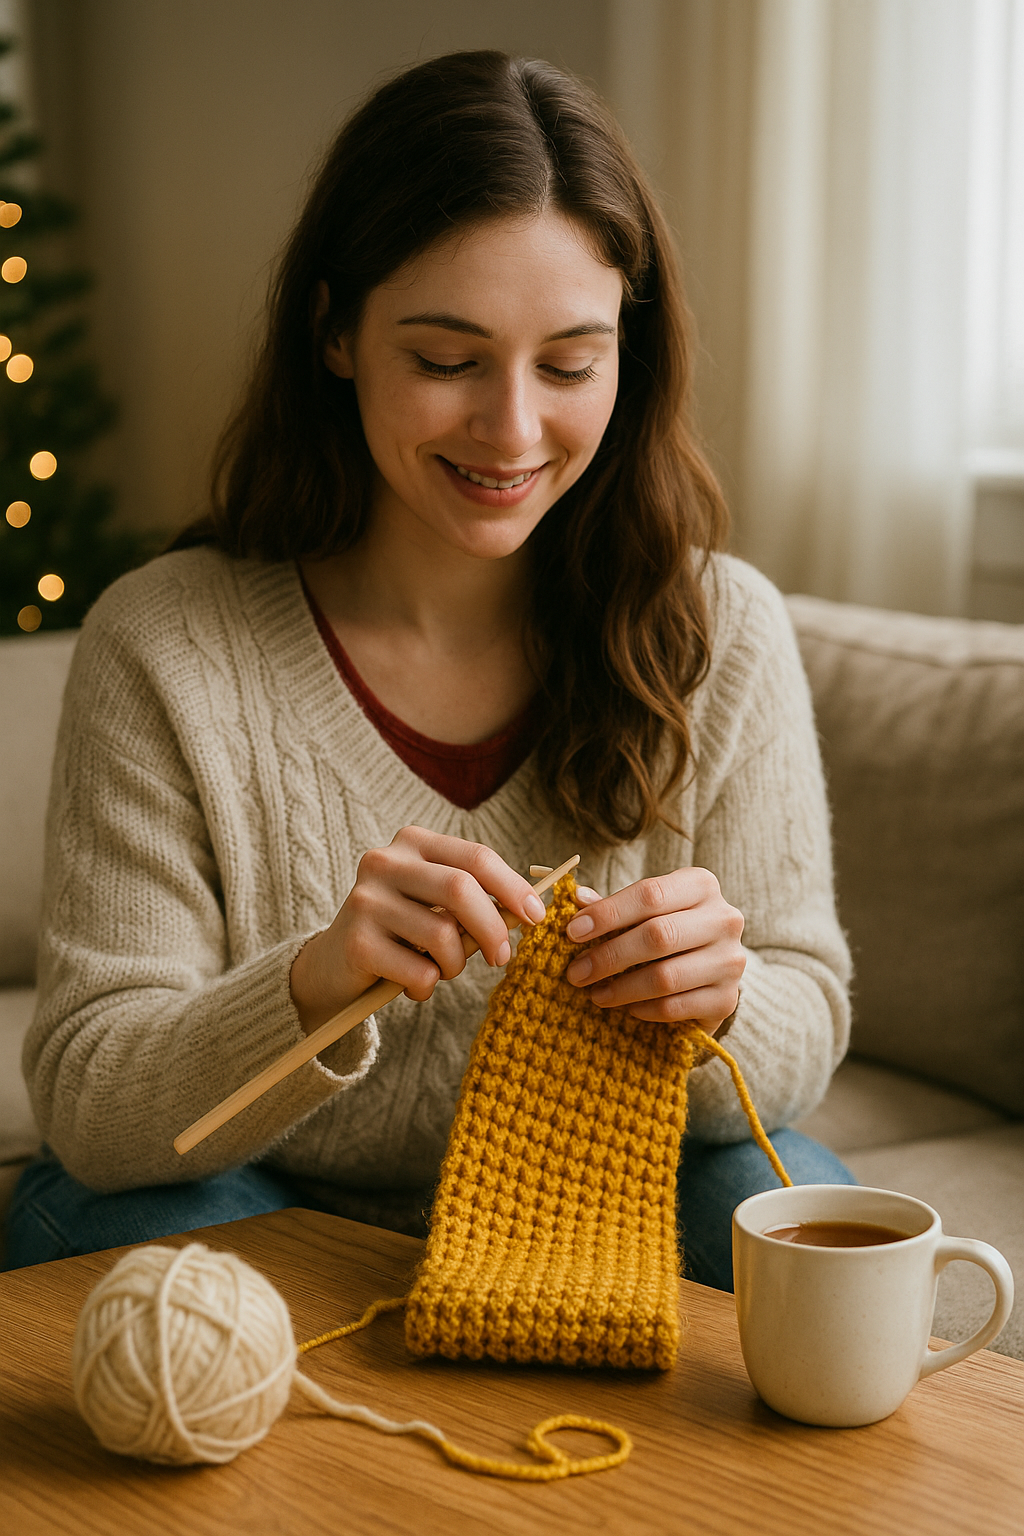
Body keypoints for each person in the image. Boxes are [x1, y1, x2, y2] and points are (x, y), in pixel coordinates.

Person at [6, 51, 854, 1279]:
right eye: (446, 360)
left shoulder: (719, 631)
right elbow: (95, 1101)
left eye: (569, 364)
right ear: (335, 332)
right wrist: (312, 982)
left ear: (629, 349)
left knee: (810, 1229)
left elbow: (805, 1021)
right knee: (130, 1245)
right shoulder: (167, 642)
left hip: (592, 1181)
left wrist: (717, 1004)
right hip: (252, 1191)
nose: (511, 431)